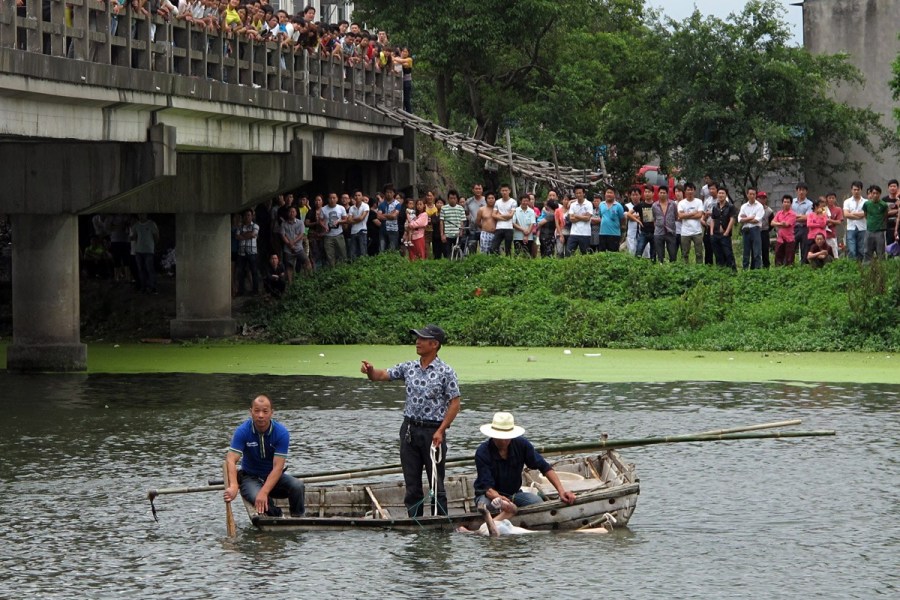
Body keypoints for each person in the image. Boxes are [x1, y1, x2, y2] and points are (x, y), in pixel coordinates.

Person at [360, 325, 461, 517]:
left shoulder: (446, 372)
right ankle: (414, 521)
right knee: (412, 482)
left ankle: (439, 522)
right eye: (417, 338)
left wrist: (441, 430)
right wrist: (370, 371)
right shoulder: (409, 367)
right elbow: (381, 376)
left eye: (422, 339)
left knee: (435, 482)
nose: (418, 342)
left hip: (433, 432)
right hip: (409, 431)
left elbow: (454, 404)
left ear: (434, 344)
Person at [473, 412, 576, 515]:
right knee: (487, 508)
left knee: (537, 503)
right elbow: (488, 489)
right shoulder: (482, 452)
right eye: (500, 437)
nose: (504, 441)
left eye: (507, 437)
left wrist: (561, 491)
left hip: (513, 494)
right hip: (488, 496)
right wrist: (500, 499)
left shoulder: (521, 445)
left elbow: (544, 467)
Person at [223, 394, 306, 518]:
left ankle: (298, 518)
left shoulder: (281, 433)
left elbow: (278, 467)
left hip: (273, 477)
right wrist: (234, 486)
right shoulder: (242, 431)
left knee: (298, 486)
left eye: (265, 411)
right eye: (257, 411)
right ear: (251, 412)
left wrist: (264, 491)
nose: (260, 415)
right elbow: (231, 459)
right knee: (259, 499)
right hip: (250, 478)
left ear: (271, 413)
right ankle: (278, 516)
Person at [709, 187, 736, 271]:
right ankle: (721, 272)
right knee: (718, 255)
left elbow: (732, 219)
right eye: (719, 193)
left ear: (726, 195)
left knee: (728, 254)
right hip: (715, 234)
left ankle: (732, 272)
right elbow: (712, 220)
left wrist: (727, 232)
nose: (720, 195)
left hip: (725, 235)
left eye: (722, 193)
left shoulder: (730, 207)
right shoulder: (715, 207)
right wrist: (711, 233)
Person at [132, 213, 159, 294]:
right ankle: (143, 287)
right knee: (141, 270)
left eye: (142, 214)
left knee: (149, 269)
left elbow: (156, 236)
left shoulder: (151, 224)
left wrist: (153, 246)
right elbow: (135, 236)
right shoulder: (136, 225)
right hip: (138, 251)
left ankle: (152, 287)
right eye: (139, 215)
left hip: (148, 250)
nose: (140, 216)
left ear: (146, 215)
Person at [738, 188, 764, 270]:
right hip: (746, 230)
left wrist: (745, 218)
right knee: (746, 252)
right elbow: (739, 219)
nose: (752, 196)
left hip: (755, 230)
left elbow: (757, 220)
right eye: (750, 194)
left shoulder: (759, 206)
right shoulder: (744, 206)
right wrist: (750, 218)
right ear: (747, 195)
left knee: (757, 252)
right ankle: (745, 271)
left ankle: (757, 271)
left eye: (754, 194)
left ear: (756, 195)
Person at [235, 208, 260, 295]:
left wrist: (243, 235)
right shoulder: (240, 226)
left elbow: (253, 234)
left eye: (249, 215)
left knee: (254, 271)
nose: (247, 217)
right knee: (241, 272)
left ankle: (255, 290)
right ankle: (241, 290)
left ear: (252, 216)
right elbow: (237, 237)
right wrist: (248, 235)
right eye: (245, 215)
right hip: (241, 252)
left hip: (252, 252)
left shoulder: (255, 226)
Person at [677, 183, 704, 263]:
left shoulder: (699, 202)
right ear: (685, 191)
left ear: (694, 191)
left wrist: (686, 215)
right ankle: (685, 270)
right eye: (688, 190)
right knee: (685, 253)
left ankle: (699, 270)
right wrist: (693, 213)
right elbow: (680, 216)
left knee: (699, 253)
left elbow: (699, 215)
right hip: (685, 232)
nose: (690, 192)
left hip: (697, 231)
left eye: (692, 190)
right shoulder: (681, 203)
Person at [565, 184, 593, 256]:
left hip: (585, 233)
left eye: (580, 193)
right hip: (574, 233)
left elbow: (587, 218)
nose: (578, 195)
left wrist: (576, 215)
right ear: (574, 194)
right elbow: (571, 219)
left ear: (583, 193)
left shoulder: (589, 204)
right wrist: (582, 216)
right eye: (576, 193)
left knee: (585, 254)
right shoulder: (573, 205)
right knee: (568, 253)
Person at [652, 186, 677, 262]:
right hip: (658, 232)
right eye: (661, 193)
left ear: (667, 194)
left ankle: (673, 270)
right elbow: (654, 218)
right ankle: (661, 270)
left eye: (664, 193)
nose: (662, 194)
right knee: (660, 256)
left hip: (671, 232)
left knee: (673, 255)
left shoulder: (673, 204)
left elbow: (676, 216)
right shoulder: (654, 205)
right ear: (658, 194)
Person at [863, 184, 888, 262]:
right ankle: (867, 269)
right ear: (870, 194)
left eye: (877, 193)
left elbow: (885, 216)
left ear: (880, 194)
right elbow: (865, 214)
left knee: (880, 252)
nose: (875, 195)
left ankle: (881, 269)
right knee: (867, 250)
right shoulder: (867, 204)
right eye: (873, 193)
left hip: (879, 231)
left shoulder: (883, 205)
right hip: (869, 230)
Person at [843, 181, 867, 261]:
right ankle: (852, 268)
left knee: (862, 249)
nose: (856, 191)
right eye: (854, 189)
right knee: (852, 250)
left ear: (861, 190)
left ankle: (863, 268)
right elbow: (846, 214)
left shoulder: (866, 202)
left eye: (858, 189)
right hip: (851, 228)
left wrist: (853, 214)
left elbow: (866, 214)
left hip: (862, 228)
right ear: (851, 190)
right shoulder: (847, 201)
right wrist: (859, 215)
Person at [491, 184, 518, 255]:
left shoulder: (513, 202)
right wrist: (505, 217)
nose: (504, 192)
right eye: (503, 190)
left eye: (506, 190)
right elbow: (493, 215)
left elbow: (511, 215)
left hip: (509, 227)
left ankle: (507, 264)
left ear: (509, 191)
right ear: (500, 191)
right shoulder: (497, 202)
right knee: (494, 247)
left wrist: (499, 215)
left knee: (508, 249)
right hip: (499, 227)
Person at [772, 195, 798, 266]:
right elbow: (772, 223)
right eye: (785, 202)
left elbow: (787, 225)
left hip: (789, 239)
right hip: (780, 239)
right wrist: (780, 223)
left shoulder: (793, 214)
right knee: (778, 257)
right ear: (782, 203)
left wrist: (778, 223)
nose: (786, 203)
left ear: (791, 204)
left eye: (788, 202)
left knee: (789, 259)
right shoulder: (779, 213)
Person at [597, 185, 624, 252]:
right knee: (602, 254)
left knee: (614, 254)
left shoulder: (618, 206)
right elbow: (601, 216)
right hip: (602, 233)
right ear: (605, 194)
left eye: (611, 193)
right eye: (607, 192)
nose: (609, 194)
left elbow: (622, 219)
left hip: (614, 234)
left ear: (614, 195)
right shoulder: (601, 204)